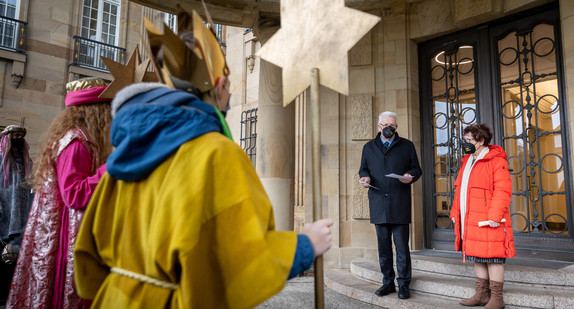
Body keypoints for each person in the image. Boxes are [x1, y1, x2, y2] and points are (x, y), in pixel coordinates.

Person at [73, 6, 333, 309]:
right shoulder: (216, 153)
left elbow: (86, 261)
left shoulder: (123, 154)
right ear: (220, 86)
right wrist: (306, 245)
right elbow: (241, 259)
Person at [7, 77, 113, 309]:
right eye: (108, 109)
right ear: (97, 111)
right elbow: (73, 193)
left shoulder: (86, 139)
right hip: (69, 236)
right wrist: (112, 167)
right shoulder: (75, 141)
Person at [358, 111, 422, 300]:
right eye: (385, 125)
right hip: (378, 201)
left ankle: (403, 285)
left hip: (399, 202)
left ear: (396, 127)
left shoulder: (407, 146)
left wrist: (410, 177)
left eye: (392, 125)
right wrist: (364, 177)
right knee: (384, 248)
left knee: (402, 247)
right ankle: (388, 283)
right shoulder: (369, 147)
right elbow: (363, 168)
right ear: (379, 126)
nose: (389, 128)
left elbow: (416, 169)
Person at [450, 123, 514, 309]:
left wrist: (495, 216)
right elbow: (459, 190)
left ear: (481, 141)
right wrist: (455, 213)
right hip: (471, 219)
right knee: (477, 256)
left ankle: (496, 298)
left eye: (469, 140)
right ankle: (481, 294)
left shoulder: (496, 160)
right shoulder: (467, 161)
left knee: (493, 257)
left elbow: (503, 191)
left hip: (489, 220)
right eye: (465, 140)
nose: (466, 143)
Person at [0, 125, 33, 306]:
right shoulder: (0, 159)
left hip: (21, 218)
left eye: (21, 135)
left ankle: (10, 296)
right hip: (3, 215)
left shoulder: (28, 163)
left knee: (13, 259)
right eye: (15, 135)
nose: (19, 137)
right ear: (7, 138)